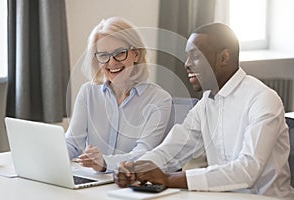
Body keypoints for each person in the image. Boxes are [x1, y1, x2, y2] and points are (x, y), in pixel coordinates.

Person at [115, 23, 294, 199]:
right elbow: (173, 149)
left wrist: (169, 179)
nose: (187, 64)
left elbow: (248, 170)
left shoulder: (262, 99)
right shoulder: (206, 103)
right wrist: (135, 169)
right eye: (187, 57)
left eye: (195, 56)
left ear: (224, 58)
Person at [65, 17, 172, 172]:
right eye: (103, 55)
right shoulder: (88, 92)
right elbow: (73, 143)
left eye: (120, 53)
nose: (112, 62)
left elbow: (144, 154)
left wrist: (105, 162)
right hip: (92, 181)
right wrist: (50, 157)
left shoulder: (159, 99)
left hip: (130, 186)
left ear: (136, 54)